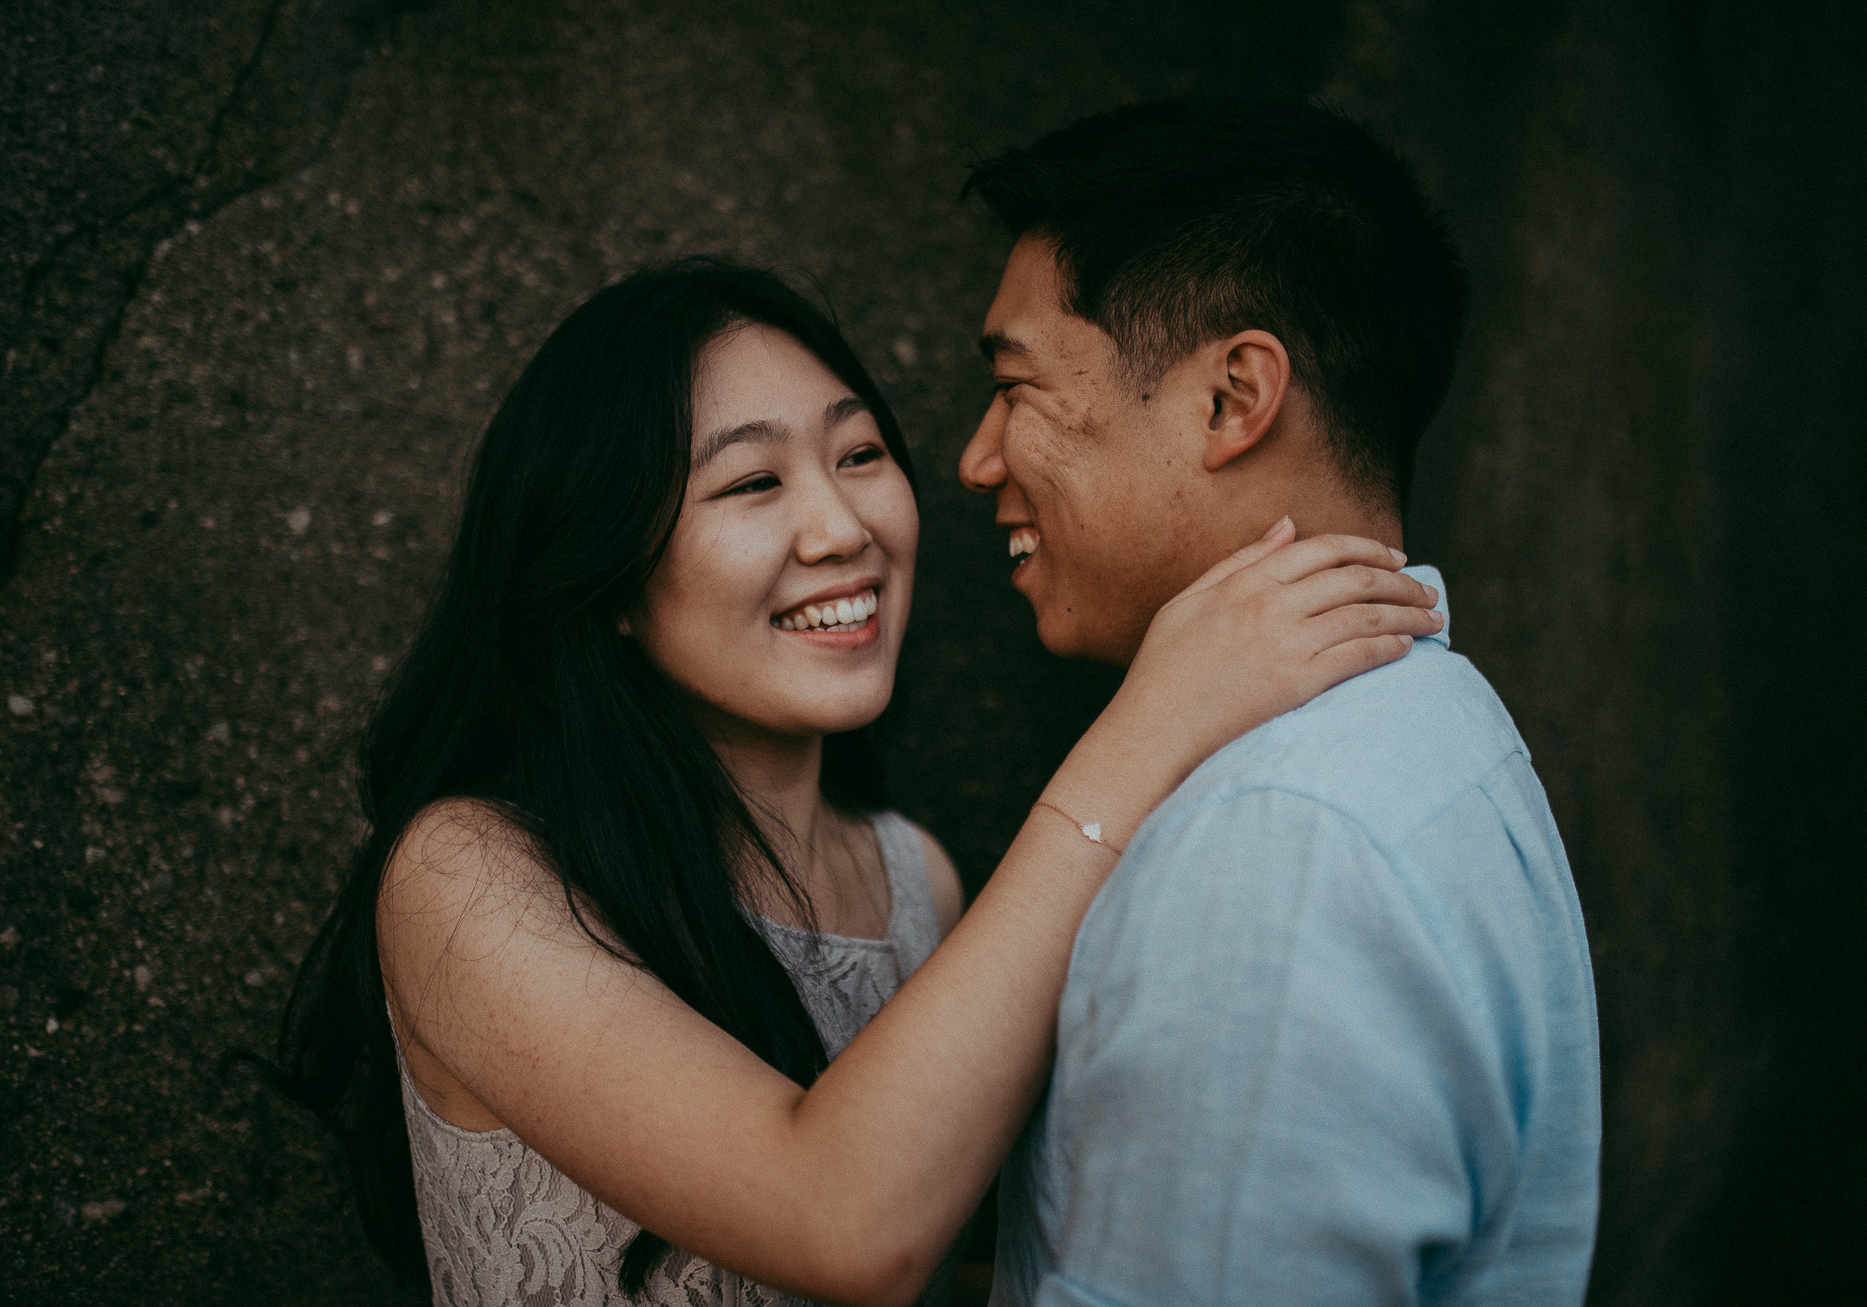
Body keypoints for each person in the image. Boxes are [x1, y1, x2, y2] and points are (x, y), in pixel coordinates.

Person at [268, 258, 1444, 1306]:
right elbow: (847, 1220)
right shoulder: (473, 874)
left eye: (860, 454)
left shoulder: (910, 875)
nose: (841, 526)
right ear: (609, 576)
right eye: (749, 484)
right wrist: (1157, 718)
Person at [958, 98, 1603, 1305]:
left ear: (1230, 398)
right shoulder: (1435, 731)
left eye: (1017, 387)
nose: (978, 458)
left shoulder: (1279, 839)